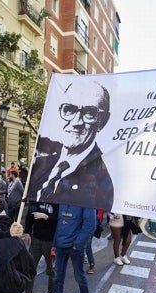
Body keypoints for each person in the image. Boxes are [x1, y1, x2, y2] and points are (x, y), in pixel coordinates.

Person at [26, 80, 114, 210]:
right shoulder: (41, 164)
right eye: (69, 109)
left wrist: (48, 219)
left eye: (90, 113)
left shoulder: (101, 178)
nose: (76, 122)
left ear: (103, 121)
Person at [34, 204, 95, 293]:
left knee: (79, 277)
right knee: (57, 280)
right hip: (60, 247)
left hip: (75, 248)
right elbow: (60, 224)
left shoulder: (87, 199)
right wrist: (55, 244)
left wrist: (77, 245)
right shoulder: (64, 198)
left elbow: (89, 226)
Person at [18, 201, 59, 293]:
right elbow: (30, 215)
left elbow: (61, 219)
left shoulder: (58, 198)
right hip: (36, 239)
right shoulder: (37, 196)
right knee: (30, 267)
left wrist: (47, 217)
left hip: (51, 241)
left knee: (51, 269)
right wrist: (27, 231)